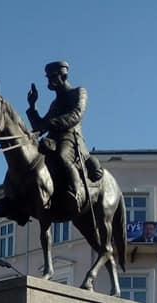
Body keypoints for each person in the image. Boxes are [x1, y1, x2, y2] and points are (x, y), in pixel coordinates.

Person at [26, 60, 101, 213]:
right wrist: (32, 107)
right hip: (52, 140)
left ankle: (76, 193)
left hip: (71, 138)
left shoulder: (79, 92)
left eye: (53, 76)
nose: (50, 81)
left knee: (61, 156)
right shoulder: (55, 103)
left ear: (64, 76)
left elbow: (77, 114)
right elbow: (40, 127)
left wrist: (52, 123)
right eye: (48, 77)